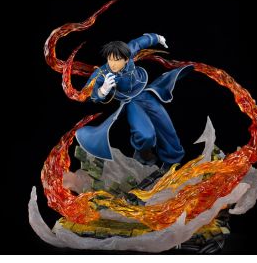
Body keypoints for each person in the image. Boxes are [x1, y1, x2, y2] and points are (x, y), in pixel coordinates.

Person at [75, 33, 193, 187]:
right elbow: (86, 94)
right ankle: (144, 154)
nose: (112, 64)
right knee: (145, 134)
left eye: (117, 60)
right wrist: (102, 91)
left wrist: (158, 38)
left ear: (126, 58)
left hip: (145, 95)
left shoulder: (129, 52)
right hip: (131, 102)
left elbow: (140, 42)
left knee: (165, 125)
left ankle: (172, 160)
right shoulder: (102, 74)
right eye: (110, 59)